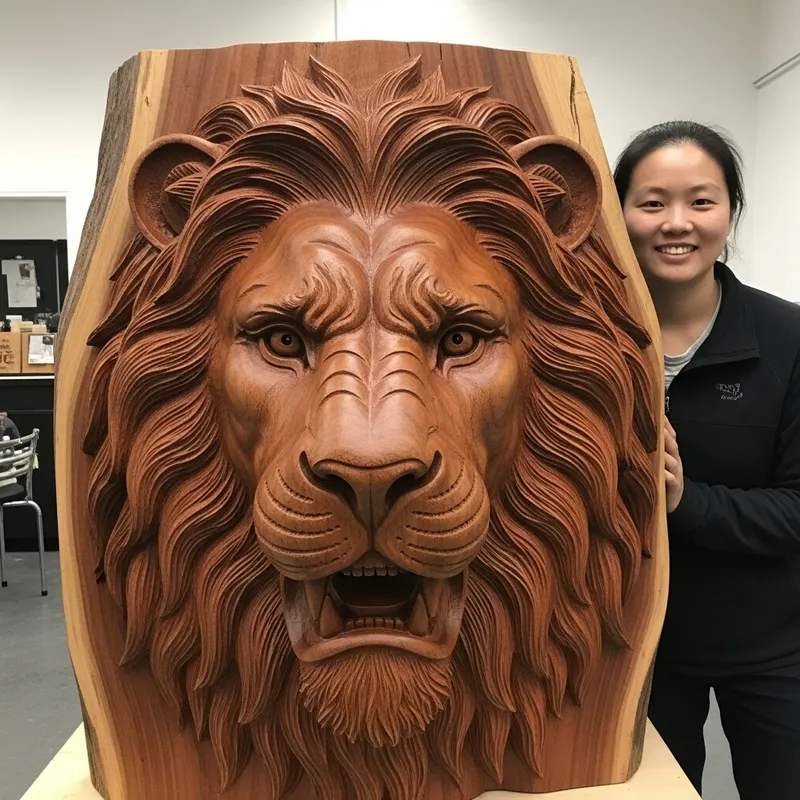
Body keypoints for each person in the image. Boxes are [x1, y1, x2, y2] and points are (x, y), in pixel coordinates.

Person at [614, 121, 800, 799]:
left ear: (731, 212)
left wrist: (686, 501)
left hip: (774, 644)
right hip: (635, 646)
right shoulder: (586, 337)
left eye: (701, 200)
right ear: (618, 212)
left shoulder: (787, 337)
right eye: (652, 201)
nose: (676, 223)